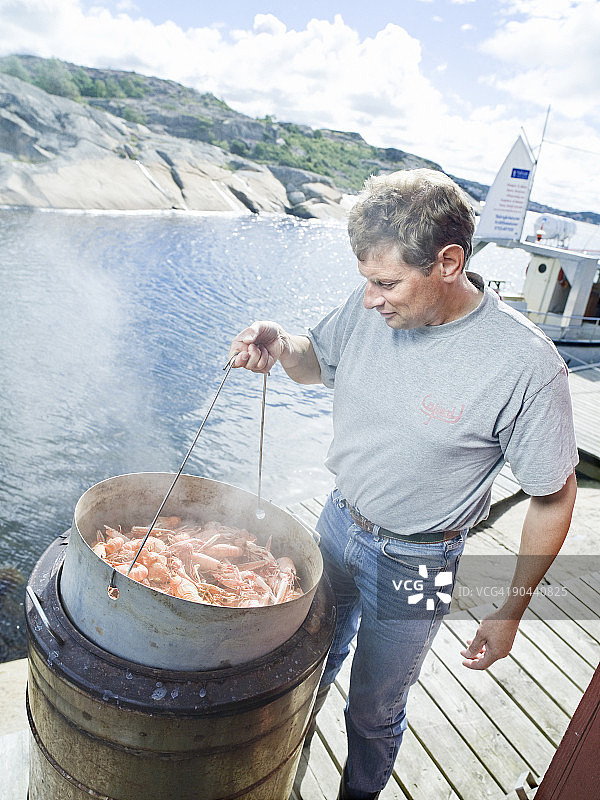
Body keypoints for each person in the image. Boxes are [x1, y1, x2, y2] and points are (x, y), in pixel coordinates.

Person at [228, 169, 578, 800]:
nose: (371, 299)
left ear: (449, 262)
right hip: (336, 527)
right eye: (367, 281)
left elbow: (555, 495)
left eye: (386, 283)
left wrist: (511, 608)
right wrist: (282, 343)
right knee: (303, 672)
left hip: (423, 558)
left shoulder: (526, 365)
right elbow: (316, 365)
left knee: (374, 709)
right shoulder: (372, 309)